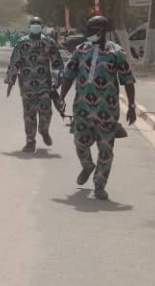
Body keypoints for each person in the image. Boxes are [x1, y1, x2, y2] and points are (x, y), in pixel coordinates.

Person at [59, 16, 136, 201]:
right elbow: (69, 75)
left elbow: (128, 80)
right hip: (82, 109)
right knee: (80, 143)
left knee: (106, 150)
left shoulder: (116, 52)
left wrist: (132, 105)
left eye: (92, 29)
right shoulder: (81, 50)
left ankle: (100, 184)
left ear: (101, 30)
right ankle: (87, 165)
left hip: (107, 112)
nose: (88, 33)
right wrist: (61, 97)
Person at [5, 17, 64, 153]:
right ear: (29, 26)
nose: (35, 26)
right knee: (29, 114)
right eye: (33, 24)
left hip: (45, 84)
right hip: (27, 85)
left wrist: (57, 81)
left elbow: (57, 63)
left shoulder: (49, 42)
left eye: (38, 24)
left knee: (46, 111)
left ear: (42, 26)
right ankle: (30, 141)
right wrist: (10, 82)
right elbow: (15, 62)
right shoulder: (21, 42)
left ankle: (44, 130)